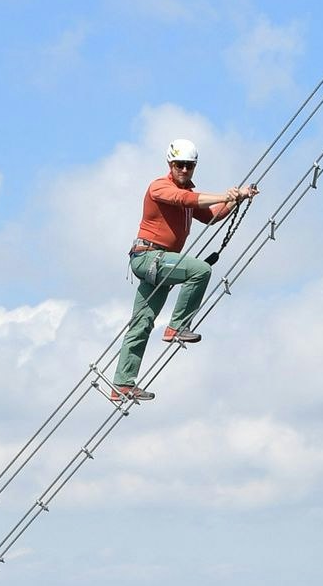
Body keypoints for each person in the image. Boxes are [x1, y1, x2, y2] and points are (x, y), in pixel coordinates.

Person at [109, 139, 254, 401]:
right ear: (170, 164)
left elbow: (211, 216)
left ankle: (122, 384)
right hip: (148, 257)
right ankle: (177, 326)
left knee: (141, 324)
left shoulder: (189, 197)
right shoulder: (159, 187)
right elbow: (183, 198)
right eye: (180, 165)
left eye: (189, 166)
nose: (185, 170)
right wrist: (225, 194)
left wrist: (237, 198)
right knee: (200, 270)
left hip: (162, 262)